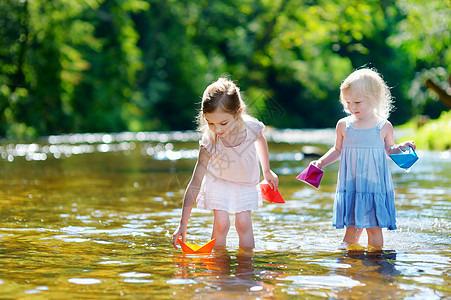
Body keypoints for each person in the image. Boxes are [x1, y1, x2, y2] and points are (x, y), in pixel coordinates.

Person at [311, 68, 415, 252]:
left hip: (374, 187)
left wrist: (401, 147)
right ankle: (348, 264)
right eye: (348, 102)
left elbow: (389, 150)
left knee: (374, 230)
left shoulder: (383, 126)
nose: (352, 107)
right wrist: (320, 162)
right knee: (351, 231)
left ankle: (376, 265)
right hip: (352, 186)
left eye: (357, 102)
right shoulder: (344, 125)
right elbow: (337, 150)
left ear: (374, 98)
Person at [171, 77, 279, 250]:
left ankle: (245, 267)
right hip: (219, 181)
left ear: (238, 112)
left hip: (245, 181)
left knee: (243, 223)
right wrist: (182, 224)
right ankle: (218, 266)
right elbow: (195, 182)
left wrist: (267, 171)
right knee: (222, 223)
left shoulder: (251, 127)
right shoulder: (210, 140)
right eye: (210, 123)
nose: (218, 129)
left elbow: (261, 140)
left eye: (223, 123)